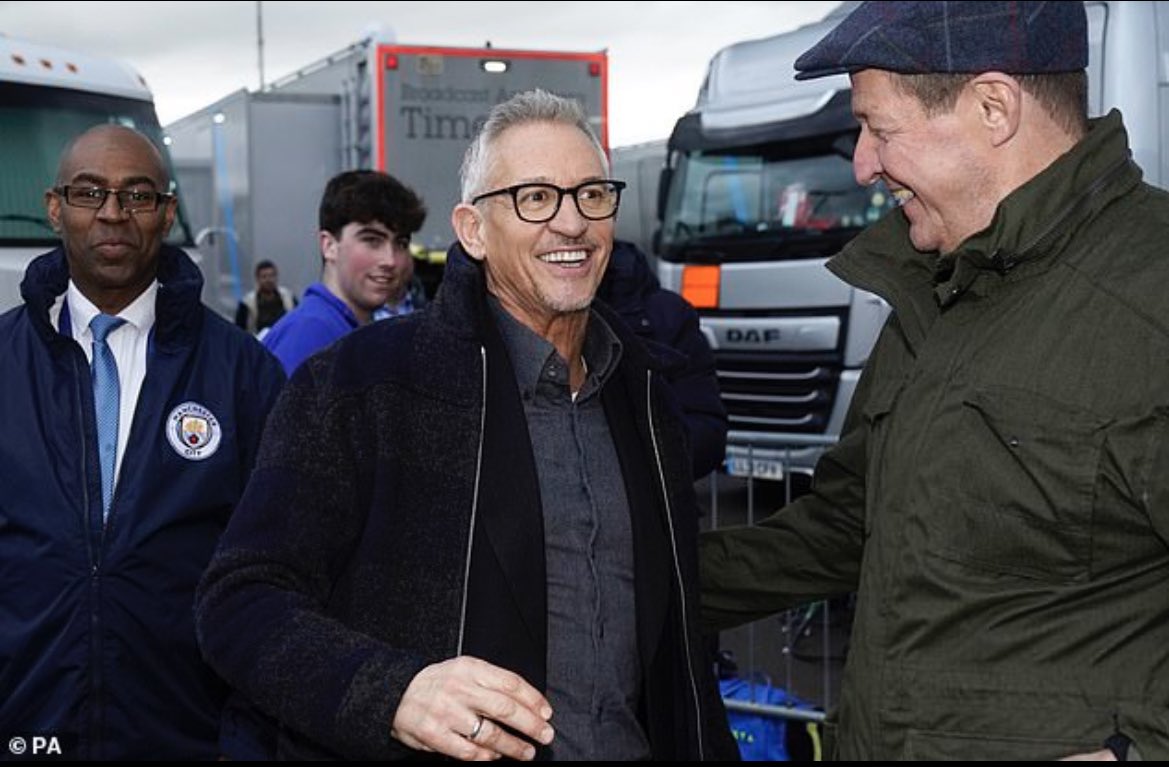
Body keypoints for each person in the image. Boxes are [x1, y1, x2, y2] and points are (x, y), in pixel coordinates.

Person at [195, 89, 737, 761]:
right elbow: (239, 600)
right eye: (534, 198)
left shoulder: (645, 393)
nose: (571, 223)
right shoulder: (363, 386)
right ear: (472, 229)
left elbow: (678, 645)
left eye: (591, 194)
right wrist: (392, 692)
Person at [700, 1, 1169, 760]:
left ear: (992, 107)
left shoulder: (1150, 300)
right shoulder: (939, 290)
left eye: (878, 129)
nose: (860, 164)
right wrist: (625, 580)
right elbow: (846, 529)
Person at [0, 124, 285, 760]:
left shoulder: (244, 373)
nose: (111, 213)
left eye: (136, 195)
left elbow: (282, 583)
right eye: (88, 192)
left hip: (187, 735)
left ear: (166, 213)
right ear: (55, 208)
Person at [262, 169, 426, 375]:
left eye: (401, 243)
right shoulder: (312, 334)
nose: (390, 260)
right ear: (329, 245)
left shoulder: (344, 330)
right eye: (372, 240)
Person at [597, 239, 726, 478]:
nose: (570, 225)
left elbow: (709, 435)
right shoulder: (509, 317)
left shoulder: (666, 315)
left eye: (591, 199)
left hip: (650, 510)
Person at [235, 258, 297, 336]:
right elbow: (240, 330)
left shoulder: (288, 297)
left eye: (272, 276)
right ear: (257, 279)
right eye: (264, 277)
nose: (269, 280)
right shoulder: (247, 303)